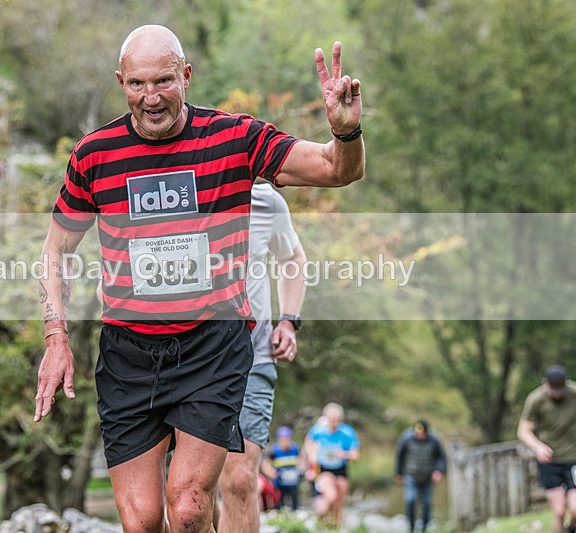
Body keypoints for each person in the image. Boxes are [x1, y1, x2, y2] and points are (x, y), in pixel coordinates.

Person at [34, 24, 364, 533]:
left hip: (213, 346)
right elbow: (56, 248)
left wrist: (344, 132)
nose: (151, 97)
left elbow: (334, 170)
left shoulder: (234, 138)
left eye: (164, 81)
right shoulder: (94, 156)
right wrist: (56, 336)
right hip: (129, 354)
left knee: (187, 509)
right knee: (142, 521)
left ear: (186, 76)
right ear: (120, 82)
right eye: (137, 84)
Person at [216, 181, 307, 531]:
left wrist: (288, 320)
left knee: (239, 478)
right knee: (193, 493)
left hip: (254, 354)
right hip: (186, 361)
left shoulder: (265, 198)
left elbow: (292, 257)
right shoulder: (178, 187)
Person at [517, 364, 576, 533]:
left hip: (574, 458)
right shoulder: (535, 399)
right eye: (554, 388)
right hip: (549, 461)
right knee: (559, 511)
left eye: (561, 388)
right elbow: (523, 430)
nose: (557, 392)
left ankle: (571, 530)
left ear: (566, 383)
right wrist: (538, 447)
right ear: (545, 383)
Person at [303, 403, 360, 528]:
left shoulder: (347, 432)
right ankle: (321, 516)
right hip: (324, 469)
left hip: (341, 469)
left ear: (340, 420)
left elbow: (355, 455)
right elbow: (308, 446)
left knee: (339, 503)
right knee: (331, 496)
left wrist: (345, 454)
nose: (333, 422)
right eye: (330, 419)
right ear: (326, 418)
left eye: (336, 420)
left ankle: (335, 527)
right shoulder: (318, 430)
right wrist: (310, 466)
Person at [394, 420, 447, 533]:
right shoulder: (406, 438)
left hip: (428, 477)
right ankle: (411, 527)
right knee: (410, 499)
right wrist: (399, 473)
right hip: (411, 476)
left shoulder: (435, 440)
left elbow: (442, 457)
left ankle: (425, 527)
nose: (419, 435)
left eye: (422, 434)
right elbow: (399, 455)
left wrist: (439, 471)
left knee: (427, 504)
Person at [263, 426, 302, 511]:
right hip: (279, 483)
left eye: (287, 439)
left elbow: (301, 461)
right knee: (279, 505)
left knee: (295, 505)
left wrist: (300, 470)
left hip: (293, 483)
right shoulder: (274, 451)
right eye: (283, 439)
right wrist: (273, 473)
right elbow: (266, 465)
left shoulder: (295, 449)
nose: (285, 442)